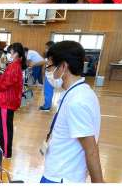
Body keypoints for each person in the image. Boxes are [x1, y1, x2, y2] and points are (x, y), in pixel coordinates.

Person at [41, 41, 103, 183]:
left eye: (50, 67)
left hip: (61, 178)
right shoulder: (77, 92)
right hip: (59, 172)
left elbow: (91, 150)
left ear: (63, 66)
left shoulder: (77, 101)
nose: (49, 73)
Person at [0, 42, 26, 158]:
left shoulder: (14, 67)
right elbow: (5, 80)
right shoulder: (13, 66)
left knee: (4, 128)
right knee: (3, 127)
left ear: (16, 53)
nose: (9, 54)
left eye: (11, 52)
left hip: (7, 101)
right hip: (6, 100)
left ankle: (6, 152)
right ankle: (4, 149)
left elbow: (4, 85)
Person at [39, 41, 55, 111]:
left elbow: (48, 63)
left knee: (48, 91)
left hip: (50, 75)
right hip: (50, 74)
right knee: (49, 90)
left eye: (47, 48)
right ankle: (48, 104)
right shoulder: (52, 55)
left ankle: (47, 106)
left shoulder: (51, 55)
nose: (46, 49)